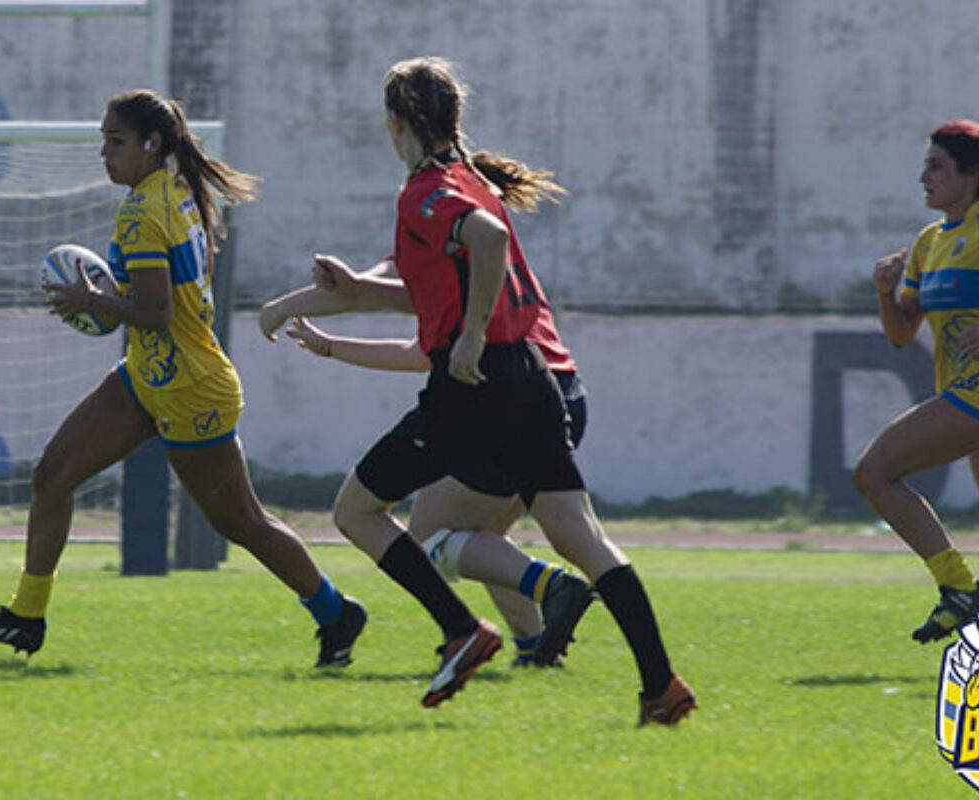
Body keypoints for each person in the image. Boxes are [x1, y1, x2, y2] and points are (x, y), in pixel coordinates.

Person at [290, 57, 692, 723]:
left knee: (359, 512)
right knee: (581, 537)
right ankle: (660, 685)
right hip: (536, 378)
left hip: (479, 385)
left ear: (395, 123)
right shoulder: (473, 180)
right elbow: (453, 272)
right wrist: (354, 297)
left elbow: (487, 240)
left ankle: (461, 629)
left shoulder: (425, 191)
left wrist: (472, 337)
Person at [0, 90, 367, 668]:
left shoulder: (144, 212)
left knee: (238, 521)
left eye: (115, 142)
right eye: (104, 140)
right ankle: (26, 616)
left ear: (152, 144)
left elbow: (155, 312)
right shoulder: (172, 192)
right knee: (52, 475)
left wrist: (89, 299)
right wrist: (105, 301)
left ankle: (336, 612)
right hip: (150, 373)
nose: (104, 153)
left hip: (191, 387)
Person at [261, 259, 593, 668]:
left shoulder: (442, 232)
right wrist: (329, 343)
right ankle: (536, 648)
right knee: (481, 537)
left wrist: (280, 309)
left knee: (429, 538)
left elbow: (364, 293)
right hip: (561, 394)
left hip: (504, 399)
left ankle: (553, 588)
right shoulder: (490, 253)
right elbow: (402, 329)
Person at [857, 118, 979, 643]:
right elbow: (900, 334)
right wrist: (884, 293)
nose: (923, 177)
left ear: (972, 173)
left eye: (936, 166)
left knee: (875, 472)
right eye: (924, 165)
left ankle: (959, 589)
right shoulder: (928, 242)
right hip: (967, 396)